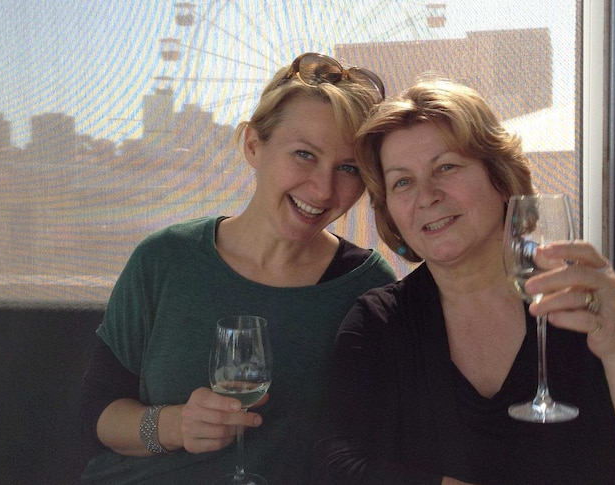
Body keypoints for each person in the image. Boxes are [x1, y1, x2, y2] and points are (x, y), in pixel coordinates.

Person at [313, 78, 615, 484]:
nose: (426, 195)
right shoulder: (379, 323)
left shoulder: (590, 298)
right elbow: (337, 464)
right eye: (403, 181)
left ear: (501, 178)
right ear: (390, 211)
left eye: (446, 167)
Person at [78, 52, 398, 484]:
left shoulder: (367, 286)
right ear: (252, 145)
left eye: (348, 168)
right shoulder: (165, 258)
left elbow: (373, 444)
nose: (323, 190)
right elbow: (97, 416)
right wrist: (174, 425)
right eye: (304, 154)